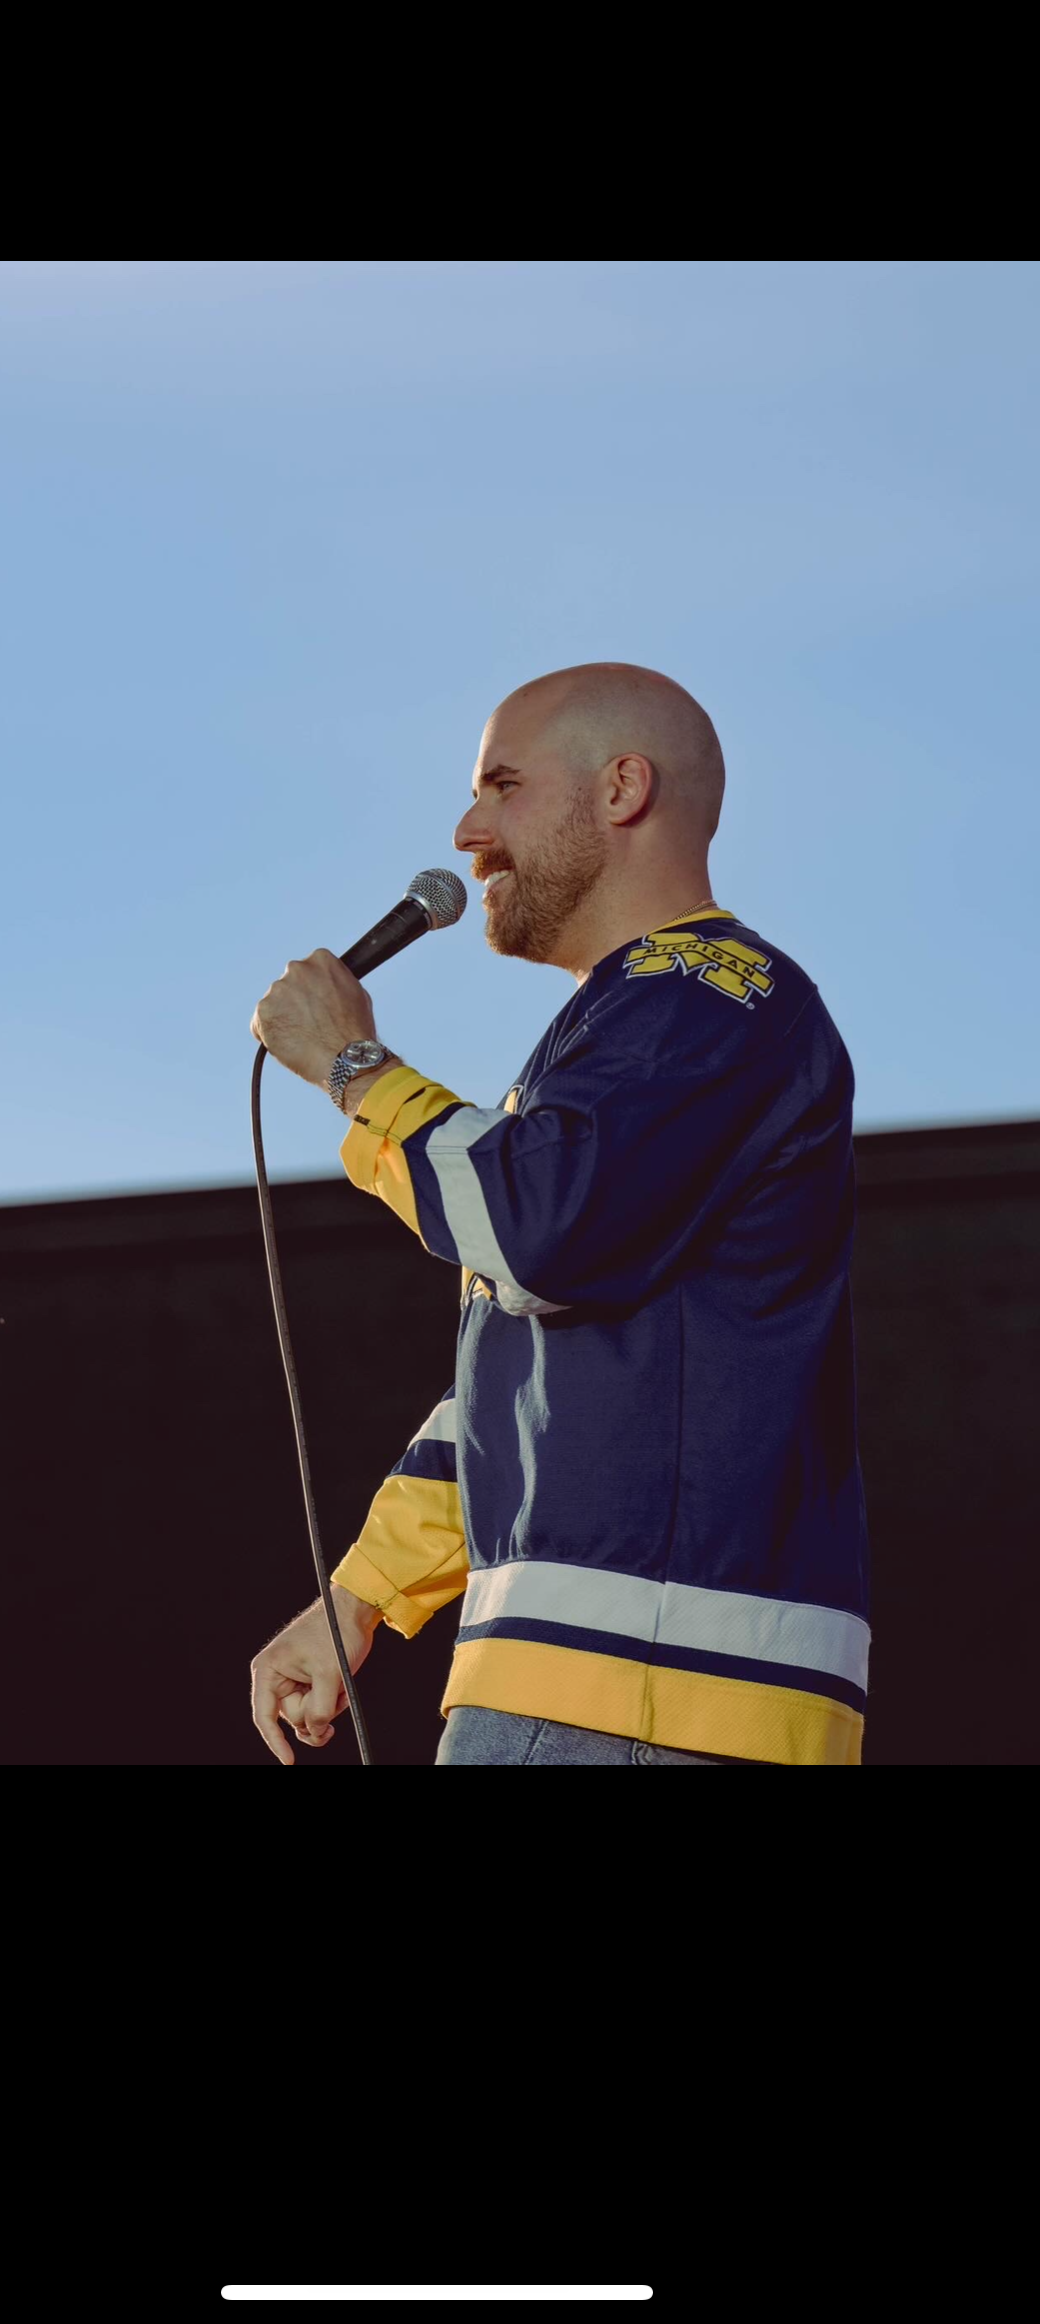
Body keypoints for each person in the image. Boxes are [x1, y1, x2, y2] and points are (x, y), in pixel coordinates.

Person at [249, 662, 871, 1766]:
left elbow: (537, 1220)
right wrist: (363, 1594)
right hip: (598, 1678)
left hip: (638, 1685)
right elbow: (529, 1372)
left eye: (503, 785)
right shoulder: (637, 1022)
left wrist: (355, 1068)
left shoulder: (707, 993)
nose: (465, 829)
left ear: (623, 787)